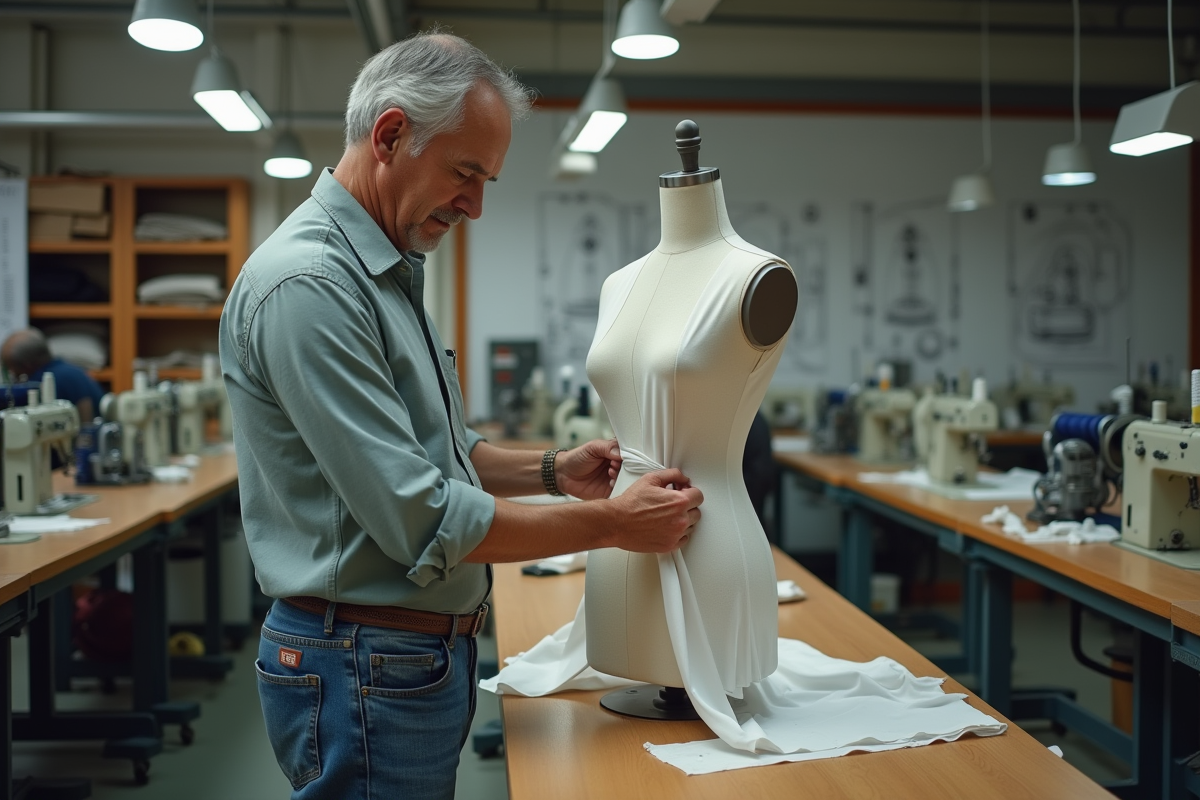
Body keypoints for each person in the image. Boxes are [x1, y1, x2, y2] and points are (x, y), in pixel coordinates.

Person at [219, 31, 704, 800]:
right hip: (363, 661)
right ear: (389, 136)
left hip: (396, 657)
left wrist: (555, 471)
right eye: (465, 173)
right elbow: (421, 515)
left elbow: (441, 452)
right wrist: (615, 524)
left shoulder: (381, 272)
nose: (475, 206)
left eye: (487, 181)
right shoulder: (312, 286)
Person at [1, 328, 104, 421]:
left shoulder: (42, 383)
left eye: (10, 367)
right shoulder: (70, 371)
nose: (11, 373)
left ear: (26, 365)